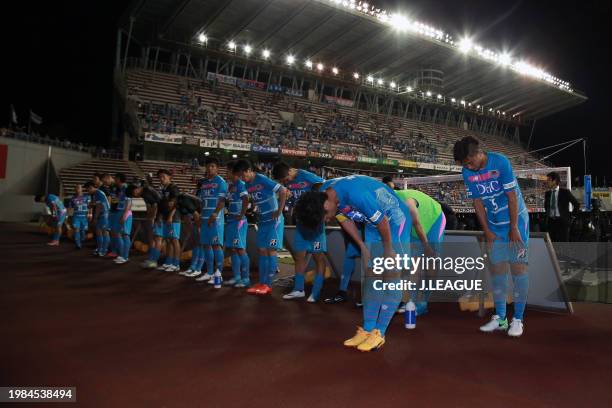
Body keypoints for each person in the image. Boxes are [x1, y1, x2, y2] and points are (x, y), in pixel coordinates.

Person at [295, 175, 411, 352]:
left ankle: (379, 332)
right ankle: (367, 329)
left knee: (390, 274)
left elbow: (384, 221)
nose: (327, 221)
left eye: (324, 218)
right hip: (373, 225)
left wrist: (388, 251)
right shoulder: (324, 194)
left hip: (395, 220)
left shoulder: (358, 195)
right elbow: (345, 219)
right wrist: (363, 247)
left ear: (326, 205)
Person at [454, 136, 529, 337]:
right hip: (495, 226)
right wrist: (487, 230)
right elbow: (477, 203)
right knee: (497, 271)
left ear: (478, 153)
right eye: (464, 164)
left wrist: (514, 227)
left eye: (469, 162)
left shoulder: (500, 162)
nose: (468, 166)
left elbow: (512, 197)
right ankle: (501, 318)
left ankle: (518, 319)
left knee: (518, 269)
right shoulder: (467, 172)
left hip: (516, 223)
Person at [272, 162, 328, 303]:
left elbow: (324, 187)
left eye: (286, 179)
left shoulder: (305, 175)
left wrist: (319, 209)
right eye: (283, 182)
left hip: (315, 224)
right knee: (299, 256)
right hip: (301, 224)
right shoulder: (289, 181)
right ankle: (298, 289)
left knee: (318, 257)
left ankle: (316, 292)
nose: (286, 182)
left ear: (290, 170)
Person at [233, 160, 288, 295]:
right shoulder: (247, 184)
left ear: (249, 170)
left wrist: (279, 211)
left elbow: (283, 191)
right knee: (262, 250)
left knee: (271, 251)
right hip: (263, 220)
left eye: (243, 175)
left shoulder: (261, 178)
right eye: (239, 176)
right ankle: (262, 282)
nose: (242, 178)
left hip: (274, 220)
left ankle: (268, 284)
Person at [395, 189, 446, 316]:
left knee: (431, 261)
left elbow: (417, 224)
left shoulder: (407, 202)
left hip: (434, 220)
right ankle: (410, 300)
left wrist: (428, 248)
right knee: (414, 265)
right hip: (414, 228)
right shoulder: (386, 203)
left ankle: (424, 301)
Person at [194, 157, 228, 284]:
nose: (210, 168)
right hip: (204, 218)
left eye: (213, 166)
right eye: (208, 166)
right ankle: (209, 272)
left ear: (217, 168)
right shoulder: (204, 183)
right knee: (206, 245)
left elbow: (222, 201)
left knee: (215, 245)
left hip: (215, 219)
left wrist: (215, 214)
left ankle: (218, 274)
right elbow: (201, 202)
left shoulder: (221, 181)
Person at [223, 162, 251, 287]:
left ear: (233, 172)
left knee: (240, 249)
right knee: (233, 249)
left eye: (227, 171)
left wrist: (241, 215)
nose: (226, 174)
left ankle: (245, 279)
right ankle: (236, 277)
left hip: (239, 221)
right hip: (231, 220)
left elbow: (246, 199)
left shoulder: (241, 184)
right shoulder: (230, 186)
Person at [127, 182, 162, 268]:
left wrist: (153, 218)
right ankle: (152, 259)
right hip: (160, 214)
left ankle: (154, 261)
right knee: (154, 238)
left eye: (134, 192)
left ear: (137, 188)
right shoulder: (145, 191)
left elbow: (155, 205)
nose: (135, 195)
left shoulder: (146, 192)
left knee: (157, 238)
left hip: (161, 215)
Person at [157, 169, 182, 272]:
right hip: (166, 217)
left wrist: (170, 216)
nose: (161, 179)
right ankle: (168, 262)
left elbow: (176, 203)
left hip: (173, 218)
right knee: (168, 240)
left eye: (163, 177)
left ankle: (176, 264)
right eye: (160, 177)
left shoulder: (174, 188)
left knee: (174, 240)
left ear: (169, 177)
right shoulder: (164, 189)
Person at [544, 171, 579, 242]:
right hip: (551, 223)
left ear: (555, 181)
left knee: (563, 245)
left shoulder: (565, 192)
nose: (547, 182)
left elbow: (576, 204)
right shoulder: (547, 193)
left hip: (563, 223)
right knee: (551, 245)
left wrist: (572, 217)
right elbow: (546, 206)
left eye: (549, 180)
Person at [175, 193, 204, 277]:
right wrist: (190, 229)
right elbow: (185, 217)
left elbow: (196, 215)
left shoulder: (185, 201)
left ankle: (198, 269)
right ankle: (192, 267)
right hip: (197, 217)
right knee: (195, 243)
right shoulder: (178, 204)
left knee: (200, 243)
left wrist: (199, 229)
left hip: (203, 216)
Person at [85, 181, 111, 256]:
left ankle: (104, 250)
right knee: (98, 232)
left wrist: (95, 217)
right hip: (102, 214)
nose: (87, 191)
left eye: (87, 189)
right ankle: (100, 248)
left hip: (104, 214)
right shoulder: (96, 194)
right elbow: (96, 204)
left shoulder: (98, 193)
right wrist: (91, 204)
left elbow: (99, 206)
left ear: (91, 188)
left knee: (104, 232)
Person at [113, 175, 133, 265]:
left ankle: (125, 256)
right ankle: (122, 255)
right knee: (119, 233)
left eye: (115, 179)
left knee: (125, 234)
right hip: (120, 211)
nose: (114, 180)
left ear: (119, 179)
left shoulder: (126, 188)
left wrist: (124, 215)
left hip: (125, 213)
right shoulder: (121, 189)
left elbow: (129, 202)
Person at [68, 183, 92, 249]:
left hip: (84, 216)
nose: (77, 189)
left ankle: (82, 239)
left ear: (82, 189)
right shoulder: (72, 198)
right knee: (76, 230)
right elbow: (70, 208)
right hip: (76, 216)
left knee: (83, 231)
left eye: (78, 187)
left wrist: (90, 214)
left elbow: (90, 206)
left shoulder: (87, 197)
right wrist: (68, 216)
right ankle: (78, 244)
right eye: (76, 188)